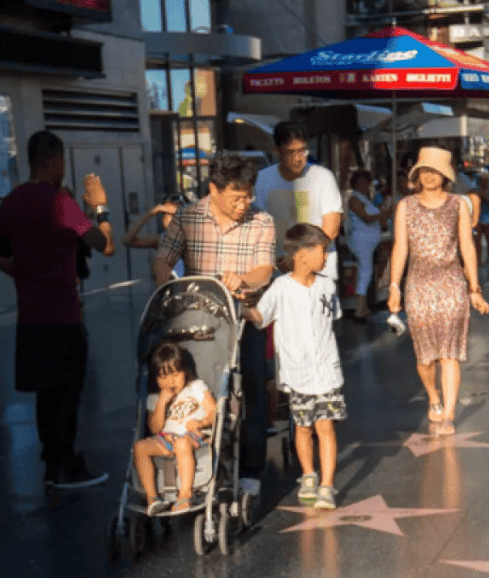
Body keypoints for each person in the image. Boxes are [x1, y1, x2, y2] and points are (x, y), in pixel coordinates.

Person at [0, 130, 115, 489]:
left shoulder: (11, 202)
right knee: (68, 391)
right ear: (55, 161)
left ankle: (50, 465)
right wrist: (100, 207)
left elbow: (2, 258)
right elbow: (102, 242)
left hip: (29, 314)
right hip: (63, 311)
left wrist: (31, 275)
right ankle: (67, 465)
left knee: (45, 394)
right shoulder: (62, 202)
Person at [153, 153, 275, 498]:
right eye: (237, 196)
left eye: (248, 195)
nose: (244, 203)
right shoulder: (188, 217)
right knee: (196, 391)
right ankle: (196, 460)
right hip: (194, 325)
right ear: (214, 189)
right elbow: (164, 255)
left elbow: (264, 269)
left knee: (249, 389)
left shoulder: (262, 221)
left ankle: (251, 469)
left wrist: (244, 279)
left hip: (242, 321)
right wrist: (163, 275)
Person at [242, 223, 345, 511]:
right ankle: (308, 475)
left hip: (326, 370)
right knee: (302, 426)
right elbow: (262, 317)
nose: (326, 257)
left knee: (325, 427)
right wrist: (243, 308)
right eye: (322, 251)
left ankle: (327, 485)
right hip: (298, 372)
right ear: (302, 254)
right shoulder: (281, 287)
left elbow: (331, 317)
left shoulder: (327, 285)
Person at [388, 147, 489, 437]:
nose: (430, 176)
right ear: (417, 174)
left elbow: (467, 247)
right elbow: (400, 247)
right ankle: (433, 395)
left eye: (436, 171)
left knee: (450, 354)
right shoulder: (405, 206)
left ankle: (449, 415)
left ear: (446, 176)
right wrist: (395, 286)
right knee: (425, 357)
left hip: (452, 283)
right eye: (425, 171)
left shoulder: (458, 204)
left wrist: (474, 287)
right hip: (418, 286)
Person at [133, 341, 216, 515]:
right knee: (140, 447)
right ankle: (152, 498)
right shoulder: (155, 398)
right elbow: (155, 429)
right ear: (156, 379)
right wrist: (162, 402)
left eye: (175, 374)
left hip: (192, 437)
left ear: (185, 371)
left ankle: (184, 495)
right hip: (166, 439)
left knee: (181, 444)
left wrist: (201, 423)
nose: (170, 380)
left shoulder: (195, 387)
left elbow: (214, 412)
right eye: (163, 377)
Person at [254, 122, 342, 280]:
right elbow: (257, 226)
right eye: (291, 152)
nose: (298, 158)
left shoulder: (323, 177)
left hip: (319, 272)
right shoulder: (262, 180)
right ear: (277, 151)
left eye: (302, 151)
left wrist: (301, 259)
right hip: (279, 271)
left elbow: (332, 227)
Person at [346, 169, 388, 321]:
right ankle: (359, 309)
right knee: (365, 272)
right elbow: (366, 218)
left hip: (369, 242)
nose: (365, 185)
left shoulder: (366, 199)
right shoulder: (354, 199)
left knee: (368, 272)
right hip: (361, 241)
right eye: (362, 182)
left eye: (367, 182)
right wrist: (382, 215)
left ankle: (363, 307)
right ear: (356, 184)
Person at [474, 173, 489, 265]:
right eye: (481, 180)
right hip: (478, 217)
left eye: (483, 180)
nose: (482, 181)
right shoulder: (476, 189)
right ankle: (478, 259)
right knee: (477, 239)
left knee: (488, 238)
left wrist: (484, 198)